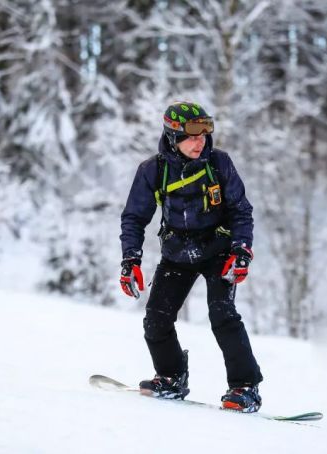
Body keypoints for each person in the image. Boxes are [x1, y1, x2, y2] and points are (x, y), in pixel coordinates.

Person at [119, 101, 263, 413]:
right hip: (176, 253)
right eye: (191, 136)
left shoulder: (219, 163)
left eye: (204, 134)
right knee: (155, 320)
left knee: (222, 315)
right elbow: (134, 218)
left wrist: (241, 251)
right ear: (173, 137)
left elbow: (241, 211)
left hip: (218, 250)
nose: (200, 142)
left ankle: (245, 387)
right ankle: (171, 377)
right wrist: (130, 260)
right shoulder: (153, 171)